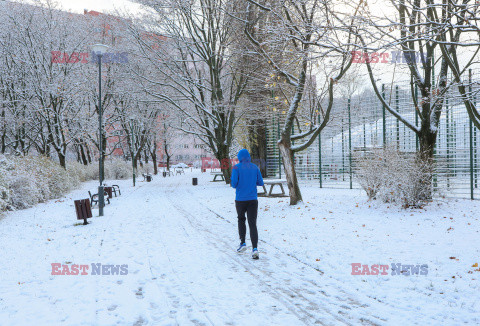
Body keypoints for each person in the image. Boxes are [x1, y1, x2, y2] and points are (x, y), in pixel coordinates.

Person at [230, 149, 264, 259]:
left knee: (241, 219)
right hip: (253, 199)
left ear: (239, 157)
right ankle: (255, 248)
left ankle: (243, 243)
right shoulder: (255, 167)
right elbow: (260, 182)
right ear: (248, 157)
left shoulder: (236, 167)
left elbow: (234, 184)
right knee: (252, 223)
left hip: (240, 199)